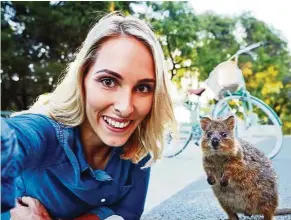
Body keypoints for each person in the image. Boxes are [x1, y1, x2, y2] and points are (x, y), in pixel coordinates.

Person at [1, 12, 176, 220]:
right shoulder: (46, 131)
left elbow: (129, 213)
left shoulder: (138, 149)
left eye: (143, 87)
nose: (126, 107)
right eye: (108, 81)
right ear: (82, 78)